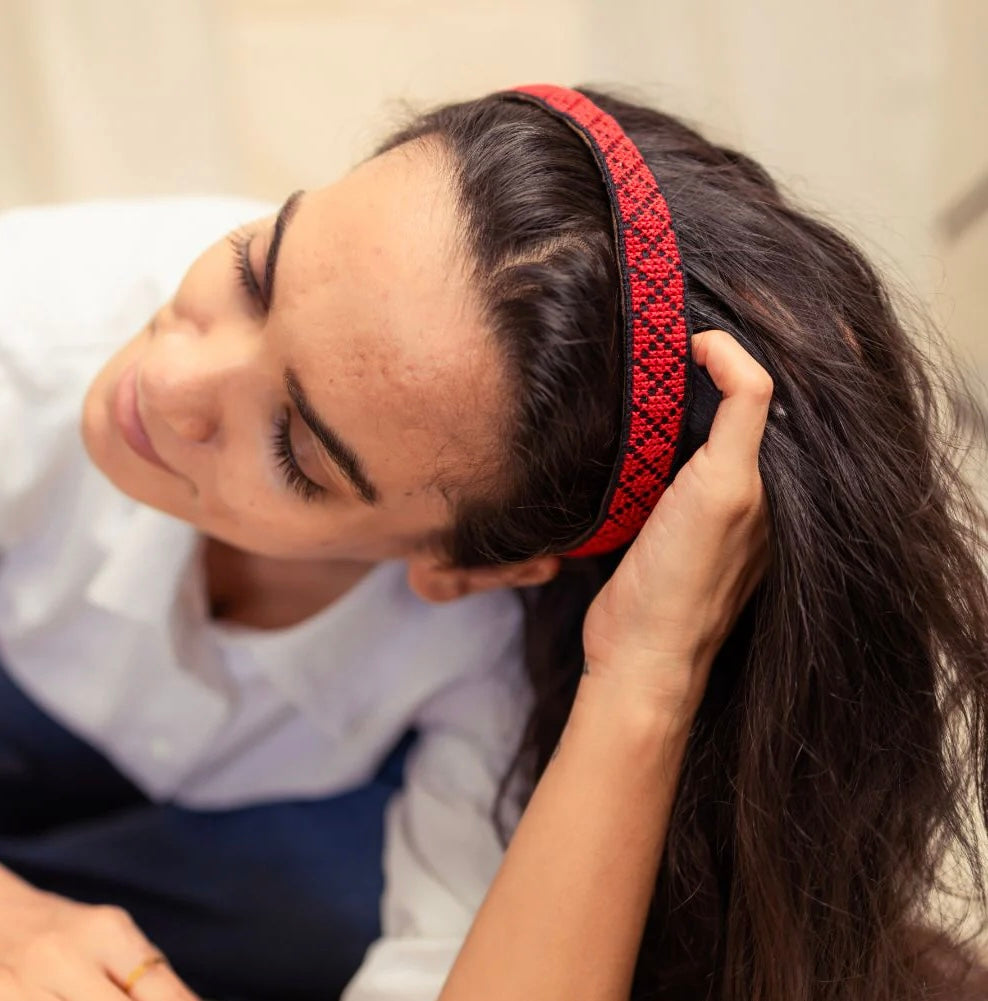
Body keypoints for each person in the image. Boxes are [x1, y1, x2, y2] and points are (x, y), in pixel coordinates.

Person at [0, 82, 985, 1001]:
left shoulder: (499, 659)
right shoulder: (34, 329)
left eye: (296, 449)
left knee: (327, 903)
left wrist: (648, 667)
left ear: (473, 568)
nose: (167, 380)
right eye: (257, 273)